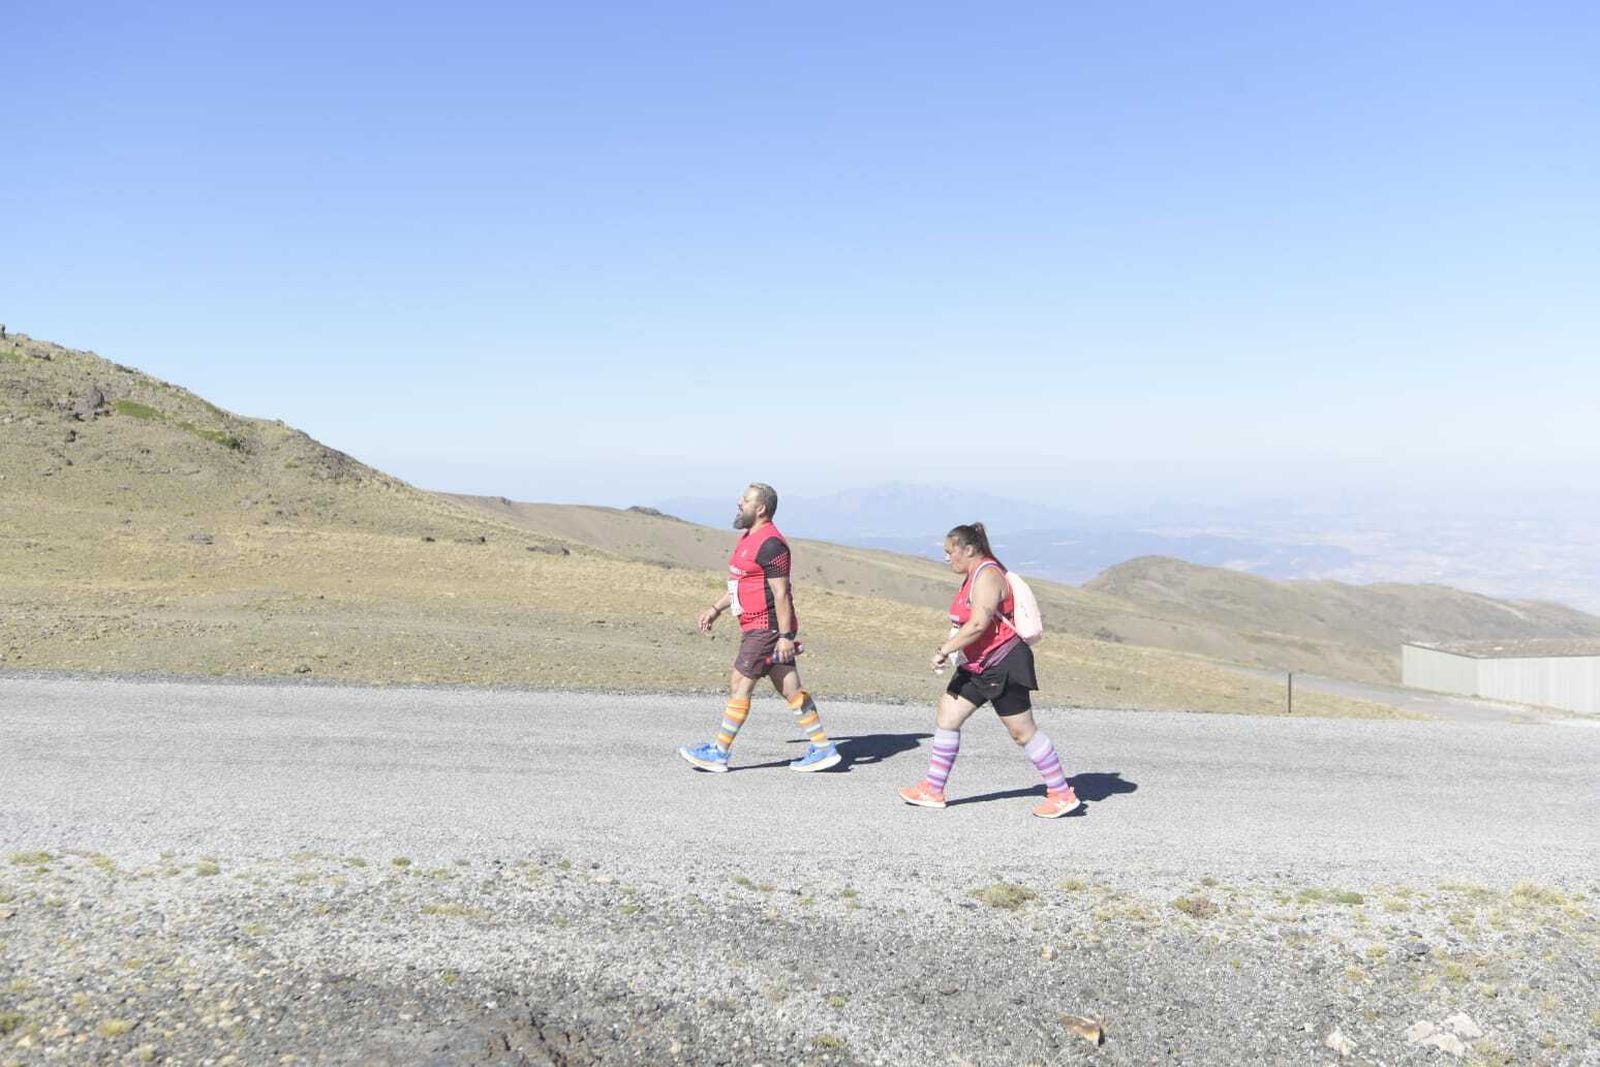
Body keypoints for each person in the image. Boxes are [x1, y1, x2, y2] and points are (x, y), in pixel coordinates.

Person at [898, 522, 1081, 818]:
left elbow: (979, 623)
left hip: (1003, 663)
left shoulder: (988, 575)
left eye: (949, 552)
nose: (947, 558)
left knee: (1022, 733)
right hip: (977, 665)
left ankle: (1061, 793)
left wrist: (945, 649)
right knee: (948, 715)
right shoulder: (972, 576)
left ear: (968, 550)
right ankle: (933, 789)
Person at [678, 483, 841, 773]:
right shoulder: (748, 538)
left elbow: (781, 593)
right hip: (757, 625)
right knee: (790, 688)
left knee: (740, 683)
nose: (739, 503)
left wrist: (786, 637)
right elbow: (741, 584)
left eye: (745, 500)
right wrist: (715, 609)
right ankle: (823, 748)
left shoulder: (771, 544)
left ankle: (719, 753)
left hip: (766, 628)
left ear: (761, 508)